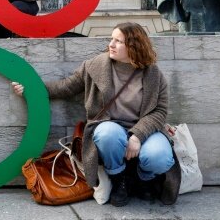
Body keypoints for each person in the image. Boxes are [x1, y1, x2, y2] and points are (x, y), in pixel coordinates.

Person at [13, 22, 179, 207]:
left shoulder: (153, 73)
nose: (111, 44)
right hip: (111, 126)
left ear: (134, 46)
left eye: (118, 41)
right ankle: (119, 179)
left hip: (144, 130)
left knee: (160, 157)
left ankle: (143, 178)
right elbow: (65, 87)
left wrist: (137, 136)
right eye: (112, 39)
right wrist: (31, 90)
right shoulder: (96, 66)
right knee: (106, 134)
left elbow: (160, 111)